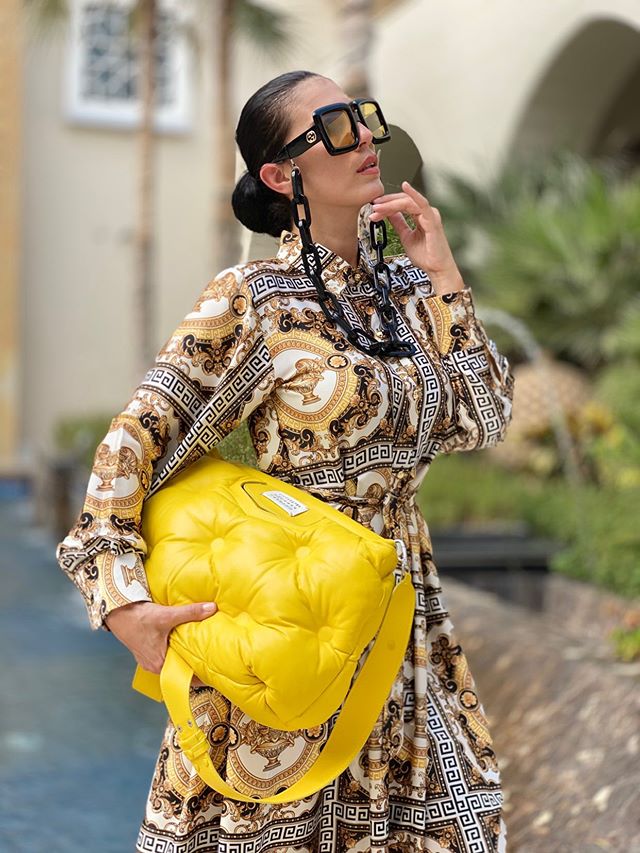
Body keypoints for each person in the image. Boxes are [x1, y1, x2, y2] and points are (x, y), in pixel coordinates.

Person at [56, 69, 514, 853]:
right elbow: (131, 446)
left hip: (407, 620)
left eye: (365, 117)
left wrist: (444, 276)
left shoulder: (410, 293)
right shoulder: (255, 299)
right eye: (335, 126)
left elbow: (486, 416)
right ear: (280, 175)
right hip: (293, 612)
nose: (364, 136)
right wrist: (123, 603)